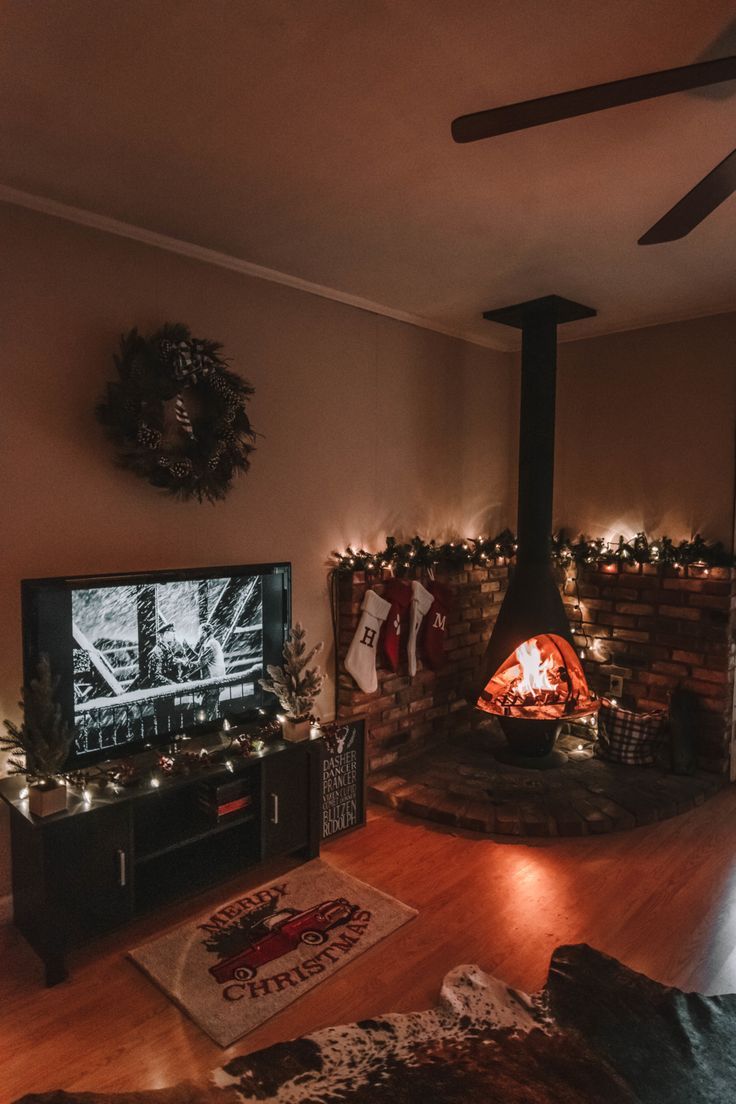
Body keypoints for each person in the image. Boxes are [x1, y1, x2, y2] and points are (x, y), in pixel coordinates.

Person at [197, 621, 226, 720]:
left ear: (205, 633)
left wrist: (184, 663)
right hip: (214, 682)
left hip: (213, 683)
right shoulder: (211, 643)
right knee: (210, 709)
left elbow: (201, 662)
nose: (199, 635)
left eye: (200, 632)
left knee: (209, 712)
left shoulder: (211, 644)